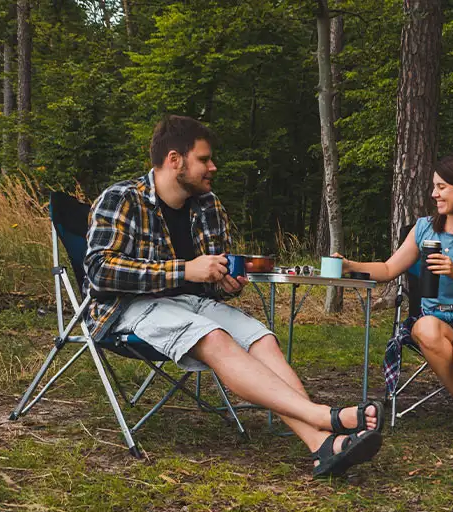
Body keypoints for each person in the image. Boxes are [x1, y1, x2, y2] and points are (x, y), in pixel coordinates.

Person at [83, 115, 381, 479]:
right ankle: (323, 416)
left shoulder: (207, 205)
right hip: (127, 308)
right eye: (205, 159)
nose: (213, 167)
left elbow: (206, 280)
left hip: (188, 305)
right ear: (175, 159)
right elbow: (99, 273)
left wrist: (222, 284)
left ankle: (320, 445)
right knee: (214, 337)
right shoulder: (121, 199)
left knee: (262, 338)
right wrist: (185, 270)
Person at [334, 153, 453, 482]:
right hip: (436, 317)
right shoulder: (424, 229)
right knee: (425, 329)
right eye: (433, 187)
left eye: (442, 187)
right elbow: (390, 269)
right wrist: (351, 266)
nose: (434, 193)